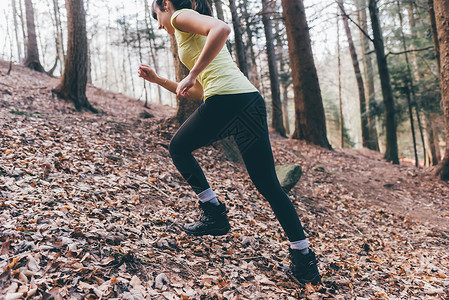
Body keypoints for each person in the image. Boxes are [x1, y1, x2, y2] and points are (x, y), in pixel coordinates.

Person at [137, 0, 321, 285]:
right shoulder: (193, 29)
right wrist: (160, 80)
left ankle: (214, 214)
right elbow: (198, 93)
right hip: (248, 102)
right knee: (268, 185)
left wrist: (193, 72)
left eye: (156, 16)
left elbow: (222, 28)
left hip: (227, 100)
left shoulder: (181, 16)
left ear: (166, 5)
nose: (159, 24)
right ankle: (304, 260)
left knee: (178, 148)